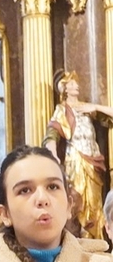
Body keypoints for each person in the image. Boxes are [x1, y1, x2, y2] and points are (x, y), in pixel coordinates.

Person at [44, 70, 113, 241]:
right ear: (65, 88)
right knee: (79, 202)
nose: (77, 86)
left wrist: (96, 107)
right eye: (72, 83)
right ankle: (80, 240)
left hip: (93, 162)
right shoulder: (62, 110)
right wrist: (53, 155)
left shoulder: (86, 107)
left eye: (76, 82)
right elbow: (52, 134)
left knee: (95, 204)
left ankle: (95, 240)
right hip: (76, 161)